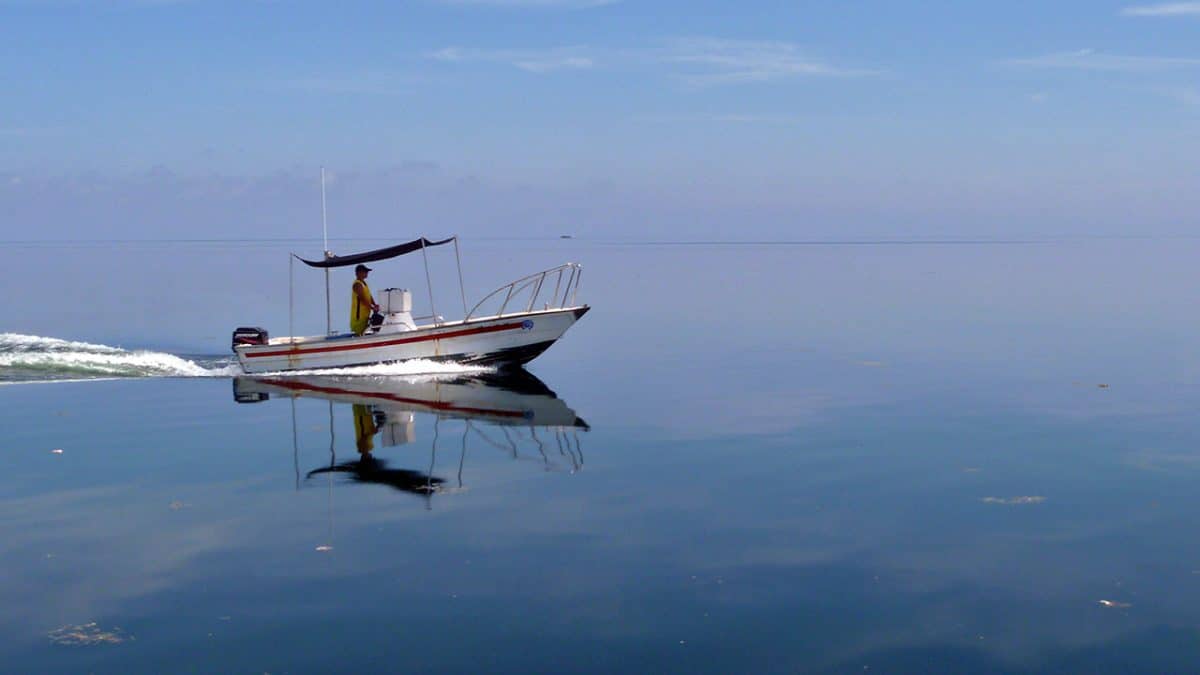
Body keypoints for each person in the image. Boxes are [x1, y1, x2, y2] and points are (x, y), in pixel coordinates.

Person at [350, 263, 380, 335]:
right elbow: (362, 298)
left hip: (365, 314)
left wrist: (374, 304)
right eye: (365, 271)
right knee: (359, 332)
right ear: (358, 273)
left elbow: (369, 296)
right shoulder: (357, 284)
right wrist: (372, 308)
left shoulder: (364, 283)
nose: (367, 273)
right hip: (359, 316)